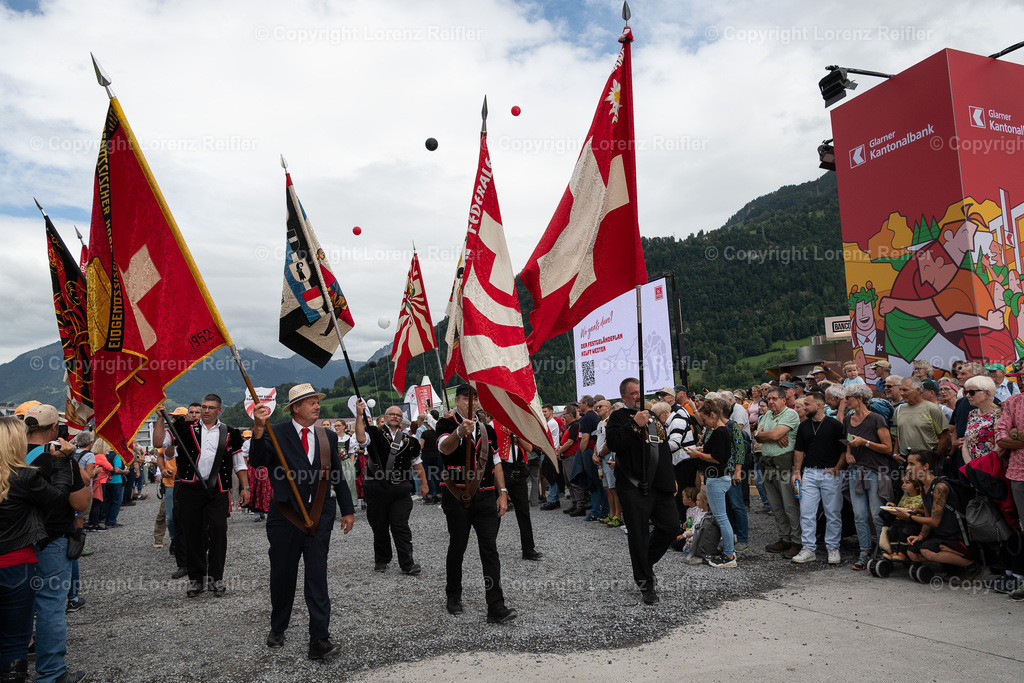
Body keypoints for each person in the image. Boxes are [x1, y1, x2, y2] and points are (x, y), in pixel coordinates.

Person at [251, 383, 355, 661]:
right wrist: (258, 428)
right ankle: (278, 627)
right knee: (283, 575)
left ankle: (319, 638)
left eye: (317, 402)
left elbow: (336, 474)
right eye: (311, 402)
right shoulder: (275, 432)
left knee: (317, 576)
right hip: (285, 516)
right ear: (296, 408)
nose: (317, 406)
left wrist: (347, 509)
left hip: (320, 515)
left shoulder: (327, 436)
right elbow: (258, 461)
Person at [0, 417, 78, 683]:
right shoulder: (23, 476)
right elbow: (58, 499)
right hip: (16, 562)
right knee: (16, 637)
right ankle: (46, 673)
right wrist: (63, 462)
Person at [152, 394, 249, 598]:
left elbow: (239, 463)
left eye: (211, 407)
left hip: (218, 489)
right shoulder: (183, 428)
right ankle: (196, 580)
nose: (206, 410)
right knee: (193, 534)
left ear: (219, 410)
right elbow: (158, 442)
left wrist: (245, 487)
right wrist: (160, 418)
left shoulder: (230, 432)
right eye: (204, 407)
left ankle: (216, 579)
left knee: (218, 532)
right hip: (190, 488)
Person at [436, 384, 516, 623]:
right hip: (457, 497)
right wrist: (459, 432)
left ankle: (496, 605)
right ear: (456, 400)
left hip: (486, 497)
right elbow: (445, 448)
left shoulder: (486, 428)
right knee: (457, 547)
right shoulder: (445, 424)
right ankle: (453, 596)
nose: (472, 404)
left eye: (476, 399)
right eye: (466, 399)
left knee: (490, 549)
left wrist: (503, 492)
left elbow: (496, 461)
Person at [24, 405, 90, 683]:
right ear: (54, 428)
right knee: (50, 605)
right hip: (51, 540)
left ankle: (14, 666)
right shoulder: (59, 457)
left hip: (15, 542)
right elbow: (81, 503)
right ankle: (51, 673)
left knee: (17, 605)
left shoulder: (10, 455)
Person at [606, 378, 681, 603]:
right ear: (623, 396)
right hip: (633, 486)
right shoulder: (617, 417)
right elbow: (614, 443)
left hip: (660, 484)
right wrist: (633, 425)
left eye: (640, 392)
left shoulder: (653, 417)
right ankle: (646, 584)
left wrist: (672, 478)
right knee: (638, 536)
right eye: (633, 393)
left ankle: (645, 561)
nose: (638, 396)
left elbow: (663, 449)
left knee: (671, 526)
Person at [352, 403, 427, 575]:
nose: (395, 417)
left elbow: (417, 464)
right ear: (385, 417)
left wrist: (424, 483)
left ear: (401, 419)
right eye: (392, 414)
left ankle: (407, 563)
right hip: (377, 487)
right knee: (379, 526)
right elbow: (361, 439)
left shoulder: (411, 441)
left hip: (401, 489)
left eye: (398, 415)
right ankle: (382, 559)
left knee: (401, 526)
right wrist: (359, 415)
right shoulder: (375, 433)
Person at [895, 450, 982, 580]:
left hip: (957, 538)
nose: (908, 468)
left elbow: (934, 521)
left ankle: (972, 566)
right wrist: (920, 536)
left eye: (912, 464)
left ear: (925, 466)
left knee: (926, 550)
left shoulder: (940, 486)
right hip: (941, 536)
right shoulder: (923, 487)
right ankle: (951, 567)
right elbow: (927, 516)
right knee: (912, 551)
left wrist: (909, 516)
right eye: (908, 464)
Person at [790, 392, 846, 565]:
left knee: (833, 513)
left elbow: (845, 449)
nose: (804, 408)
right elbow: (799, 450)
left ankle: (833, 547)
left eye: (807, 404)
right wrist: (797, 472)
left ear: (819, 405)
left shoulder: (835, 425)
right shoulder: (804, 426)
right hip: (809, 473)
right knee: (806, 512)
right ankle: (808, 548)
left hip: (830, 473)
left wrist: (838, 468)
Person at [843, 382, 894, 570]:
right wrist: (848, 452)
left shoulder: (876, 419)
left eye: (848, 398)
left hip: (875, 471)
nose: (845, 401)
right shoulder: (848, 419)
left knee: (877, 515)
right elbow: (848, 440)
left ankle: (883, 551)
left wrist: (865, 443)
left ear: (859, 398)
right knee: (859, 515)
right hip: (855, 471)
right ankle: (864, 551)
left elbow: (888, 448)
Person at [686, 400, 737, 568]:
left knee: (721, 518)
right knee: (721, 517)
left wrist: (698, 455)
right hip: (718, 477)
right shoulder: (721, 431)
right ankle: (728, 551)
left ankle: (729, 555)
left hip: (717, 478)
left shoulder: (720, 432)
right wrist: (701, 451)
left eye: (704, 419)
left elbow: (717, 458)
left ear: (713, 415)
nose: (704, 423)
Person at [756, 387, 802, 558]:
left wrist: (769, 435)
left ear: (784, 400)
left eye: (774, 398)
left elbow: (771, 435)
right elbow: (757, 436)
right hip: (768, 466)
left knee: (790, 506)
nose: (771, 402)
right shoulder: (766, 415)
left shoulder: (790, 414)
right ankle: (785, 538)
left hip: (785, 466)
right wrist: (770, 435)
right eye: (769, 399)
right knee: (776, 506)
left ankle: (797, 541)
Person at [495, 422, 542, 561]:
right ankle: (490, 547)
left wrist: (518, 435)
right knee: (496, 510)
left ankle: (528, 549)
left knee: (523, 511)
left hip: (519, 471)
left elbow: (529, 448)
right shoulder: (494, 424)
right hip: (502, 470)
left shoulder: (520, 426)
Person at [893, 377, 950, 468]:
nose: (901, 393)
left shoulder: (932, 409)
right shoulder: (899, 409)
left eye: (905, 390)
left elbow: (945, 436)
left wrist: (934, 456)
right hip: (905, 460)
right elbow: (896, 434)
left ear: (918, 390)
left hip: (926, 461)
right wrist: (895, 453)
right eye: (900, 390)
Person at [962, 375, 1002, 466]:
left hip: (991, 468)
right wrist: (970, 466)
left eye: (972, 392)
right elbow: (966, 443)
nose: (967, 395)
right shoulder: (973, 414)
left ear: (987, 393)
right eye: (966, 392)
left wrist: (983, 467)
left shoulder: (1000, 415)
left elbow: (1000, 447)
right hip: (973, 468)